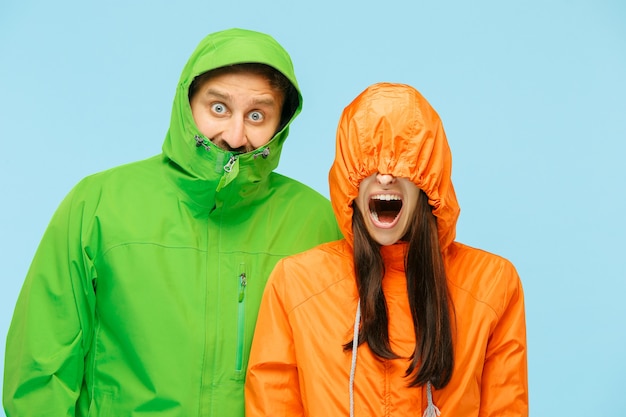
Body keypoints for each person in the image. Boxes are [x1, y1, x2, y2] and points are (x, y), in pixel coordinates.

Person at [3, 28, 341, 416]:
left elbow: (346, 372)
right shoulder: (98, 204)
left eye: (257, 115)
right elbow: (40, 370)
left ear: (281, 123)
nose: (234, 134)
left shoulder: (318, 223)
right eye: (218, 108)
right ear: (187, 104)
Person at [246, 82, 528, 416]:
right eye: (368, 161)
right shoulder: (297, 282)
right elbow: (273, 402)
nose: (384, 177)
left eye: (402, 162)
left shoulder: (492, 282)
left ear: (427, 176)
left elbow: (504, 406)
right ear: (350, 179)